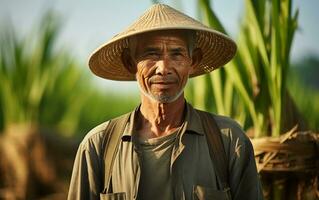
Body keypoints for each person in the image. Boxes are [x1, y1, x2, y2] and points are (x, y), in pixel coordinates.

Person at [68, 4, 263, 200]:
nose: (163, 68)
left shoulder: (228, 141)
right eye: (151, 54)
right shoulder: (98, 146)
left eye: (177, 54)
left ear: (193, 61)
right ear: (130, 62)